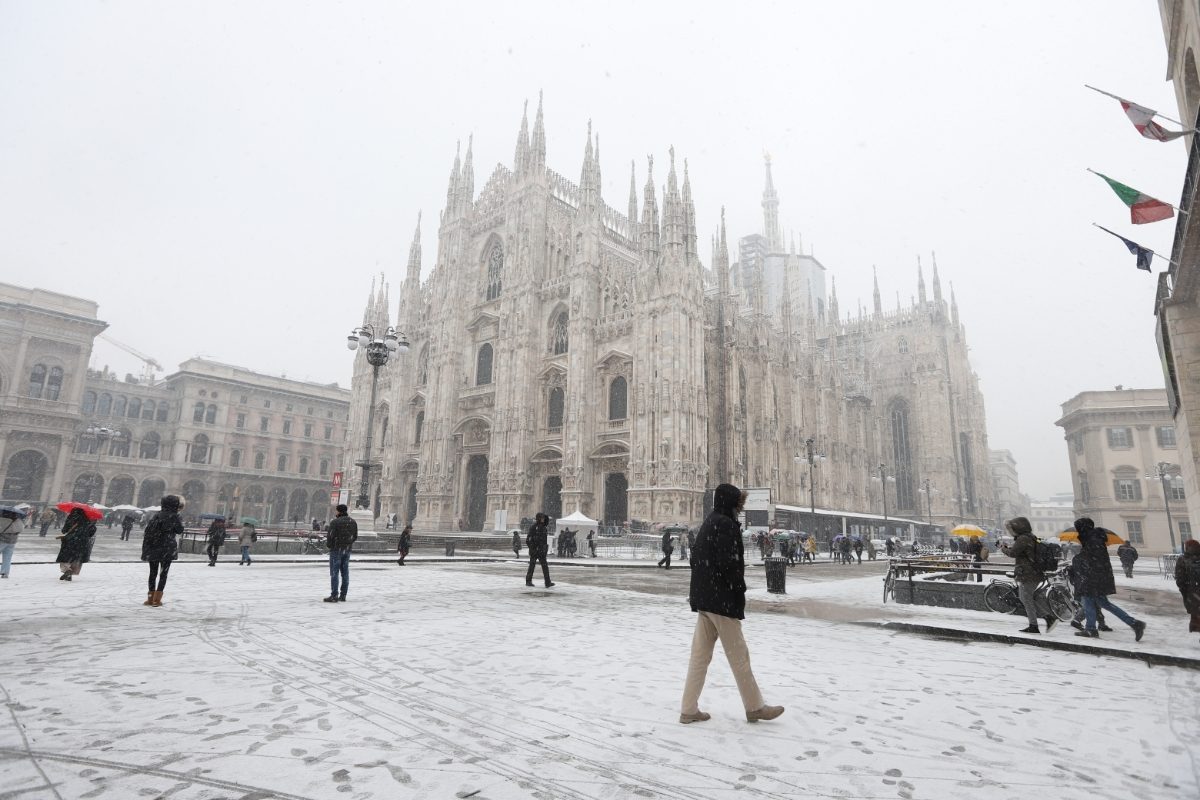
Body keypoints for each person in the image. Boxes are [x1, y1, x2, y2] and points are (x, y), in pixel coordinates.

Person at [680, 483, 784, 725]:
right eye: (739, 503)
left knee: (700, 656)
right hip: (721, 601)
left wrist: (704, 587)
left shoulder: (709, 521)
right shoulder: (726, 524)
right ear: (732, 503)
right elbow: (729, 564)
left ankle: (688, 709)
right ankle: (755, 707)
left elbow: (696, 558)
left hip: (705, 600)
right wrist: (738, 589)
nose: (740, 508)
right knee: (739, 656)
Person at [1069, 517, 1146, 641]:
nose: (1078, 531)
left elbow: (1093, 559)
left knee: (1089, 602)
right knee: (1104, 604)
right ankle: (1134, 623)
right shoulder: (1093, 538)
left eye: (1079, 528)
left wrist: (1078, 559)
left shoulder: (1092, 539)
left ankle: (1091, 629)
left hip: (1093, 578)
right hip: (1097, 577)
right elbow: (1093, 558)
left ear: (1083, 528)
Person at [1000, 517, 1056, 634]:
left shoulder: (1023, 538)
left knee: (1026, 598)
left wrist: (1003, 549)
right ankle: (1044, 619)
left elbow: (1013, 553)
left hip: (1028, 574)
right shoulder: (1030, 537)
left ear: (1018, 527)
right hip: (1033, 572)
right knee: (1026, 598)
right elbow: (1023, 552)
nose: (1010, 531)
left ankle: (1037, 624)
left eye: (1011, 529)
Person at [141, 495, 183, 606]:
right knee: (163, 574)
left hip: (154, 548)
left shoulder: (156, 516)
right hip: (167, 548)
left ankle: (150, 599)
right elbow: (179, 530)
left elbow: (148, 531)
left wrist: (146, 549)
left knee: (152, 573)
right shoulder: (175, 517)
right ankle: (157, 600)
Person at [324, 504, 358, 602]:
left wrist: (331, 545)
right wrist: (347, 544)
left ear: (339, 511)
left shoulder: (335, 522)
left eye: (336, 511)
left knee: (334, 573)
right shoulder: (353, 522)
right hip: (346, 550)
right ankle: (343, 595)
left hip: (336, 550)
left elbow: (330, 536)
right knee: (345, 573)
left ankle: (334, 595)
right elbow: (355, 536)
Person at [55, 508, 95, 581]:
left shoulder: (71, 518)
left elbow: (64, 530)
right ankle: (70, 573)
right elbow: (91, 532)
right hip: (82, 543)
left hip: (70, 541)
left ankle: (67, 570)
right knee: (76, 558)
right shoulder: (87, 520)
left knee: (65, 557)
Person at [1174, 538, 1200, 640]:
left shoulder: (1183, 559)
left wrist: (1184, 590)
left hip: (1192, 592)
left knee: (1196, 614)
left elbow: (1180, 578)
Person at [525, 512, 554, 588]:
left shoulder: (544, 527)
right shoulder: (533, 527)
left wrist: (544, 548)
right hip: (535, 551)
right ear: (538, 518)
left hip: (541, 551)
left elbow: (544, 540)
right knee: (531, 567)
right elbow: (528, 539)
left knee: (545, 567)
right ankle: (528, 581)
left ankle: (547, 582)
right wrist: (533, 547)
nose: (543, 519)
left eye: (543, 518)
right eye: (541, 518)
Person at [0, 508, 25, 578]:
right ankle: (5, 573)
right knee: (7, 558)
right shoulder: (19, 521)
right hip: (12, 541)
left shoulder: (3, 520)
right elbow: (21, 529)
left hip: (2, 540)